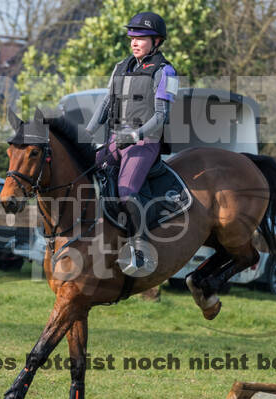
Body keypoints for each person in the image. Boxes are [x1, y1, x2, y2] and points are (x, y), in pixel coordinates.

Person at [86, 11, 178, 275]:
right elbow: (105, 104)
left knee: (126, 191)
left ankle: (140, 247)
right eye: (132, 38)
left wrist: (135, 137)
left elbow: (160, 118)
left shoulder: (166, 72)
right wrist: (86, 133)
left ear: (157, 41)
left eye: (141, 38)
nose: (135, 42)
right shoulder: (120, 67)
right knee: (86, 173)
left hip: (144, 142)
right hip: (117, 137)